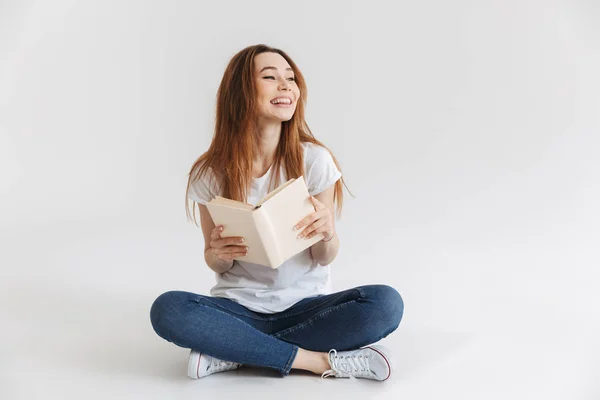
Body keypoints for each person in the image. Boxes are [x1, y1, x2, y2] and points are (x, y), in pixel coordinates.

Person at [150, 44, 404, 381]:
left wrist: (328, 232)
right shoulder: (210, 172)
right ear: (241, 92)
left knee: (385, 303)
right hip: (238, 309)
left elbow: (324, 257)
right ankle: (317, 362)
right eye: (270, 77)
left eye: (291, 78)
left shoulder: (314, 160)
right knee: (168, 310)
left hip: (306, 309)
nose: (286, 86)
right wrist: (219, 254)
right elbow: (214, 262)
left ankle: (234, 351)